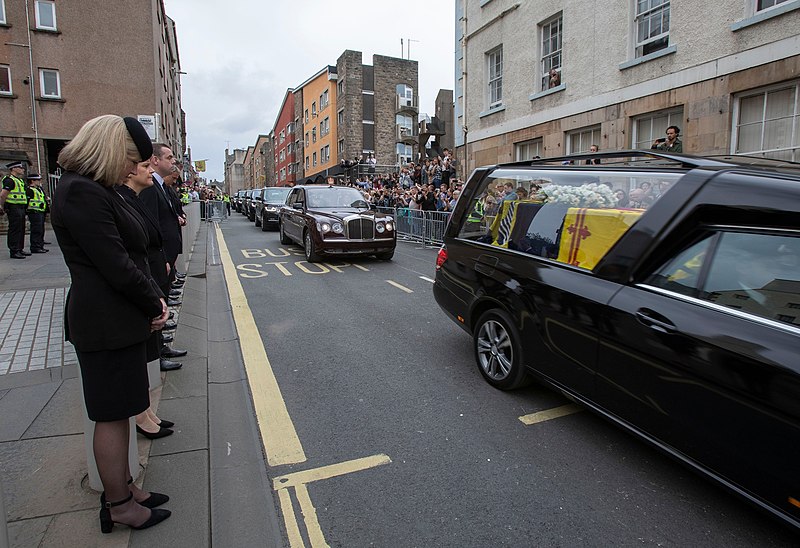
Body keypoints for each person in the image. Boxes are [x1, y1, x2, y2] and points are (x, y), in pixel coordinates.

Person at [51, 114, 171, 533]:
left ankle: (126, 487)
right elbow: (115, 263)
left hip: (118, 319)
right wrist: (154, 299)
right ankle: (118, 504)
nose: (131, 168)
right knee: (110, 415)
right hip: (104, 321)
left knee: (121, 412)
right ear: (109, 150)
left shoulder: (96, 190)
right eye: (130, 159)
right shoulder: (81, 192)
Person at [1, 160, 30, 259]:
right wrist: (1, 205)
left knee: (21, 229)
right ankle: (14, 250)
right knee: (15, 229)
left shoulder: (19, 180)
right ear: (13, 169)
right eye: (20, 168)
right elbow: (3, 194)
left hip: (20, 207)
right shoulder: (10, 180)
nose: (22, 169)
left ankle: (19, 248)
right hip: (13, 207)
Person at [24, 173, 49, 254]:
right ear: (32, 181)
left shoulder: (39, 189)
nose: (39, 181)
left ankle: (40, 245)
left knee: (40, 229)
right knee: (36, 230)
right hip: (34, 212)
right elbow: (27, 202)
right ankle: (35, 247)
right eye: (38, 180)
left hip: (40, 211)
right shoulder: (30, 190)